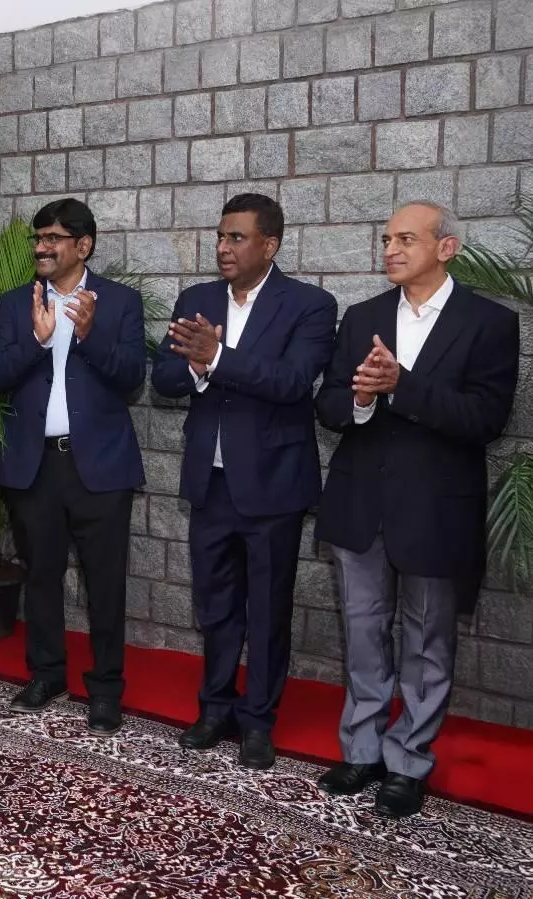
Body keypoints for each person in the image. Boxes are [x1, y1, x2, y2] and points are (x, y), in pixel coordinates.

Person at [313, 202, 519, 818]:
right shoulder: (363, 317)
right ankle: (362, 750)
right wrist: (361, 400)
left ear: (446, 247)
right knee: (363, 632)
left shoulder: (489, 322)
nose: (391, 250)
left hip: (436, 511)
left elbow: (486, 419)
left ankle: (408, 761)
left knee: (428, 640)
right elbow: (328, 405)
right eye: (386, 239)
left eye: (406, 239)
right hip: (360, 504)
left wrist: (403, 386)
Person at [151, 193, 337, 770]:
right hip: (210, 483)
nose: (224, 247)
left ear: (269, 245)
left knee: (267, 609)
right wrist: (196, 365)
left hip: (273, 485)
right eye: (220, 236)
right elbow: (163, 377)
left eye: (237, 237)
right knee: (215, 605)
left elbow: (292, 381)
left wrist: (218, 356)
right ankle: (215, 709)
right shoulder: (197, 300)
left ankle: (258, 721)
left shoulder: (309, 304)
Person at [0, 198, 146, 734]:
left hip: (99, 467)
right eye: (38, 238)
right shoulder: (15, 304)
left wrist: (88, 335)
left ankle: (106, 690)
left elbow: (132, 378)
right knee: (41, 576)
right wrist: (37, 339)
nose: (41, 247)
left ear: (84, 245)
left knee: (105, 584)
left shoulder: (119, 302)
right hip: (34, 467)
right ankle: (47, 674)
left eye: (52, 238)